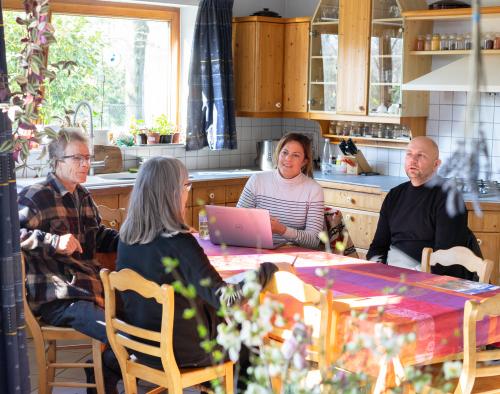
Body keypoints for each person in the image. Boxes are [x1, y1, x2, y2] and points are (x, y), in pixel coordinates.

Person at [116, 156, 293, 384]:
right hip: (184, 352)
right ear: (172, 193)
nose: (187, 192)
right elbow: (226, 299)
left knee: (238, 323)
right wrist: (269, 270)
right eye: (186, 186)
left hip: (143, 347)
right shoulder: (179, 243)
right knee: (250, 332)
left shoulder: (126, 238)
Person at [18, 128, 121, 391]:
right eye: (78, 158)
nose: (86, 164)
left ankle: (98, 378)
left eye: (88, 157)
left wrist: (133, 238)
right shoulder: (36, 195)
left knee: (139, 324)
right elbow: (10, 235)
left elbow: (98, 237)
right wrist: (53, 242)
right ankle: (101, 378)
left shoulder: (82, 196)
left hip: (90, 290)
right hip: (59, 298)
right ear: (57, 161)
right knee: (120, 333)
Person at [367, 136, 481, 276]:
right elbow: (378, 246)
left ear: (436, 164)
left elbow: (445, 259)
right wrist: (377, 271)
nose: (413, 160)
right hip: (393, 275)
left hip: (431, 279)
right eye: (409, 154)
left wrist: (412, 278)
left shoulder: (449, 198)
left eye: (421, 155)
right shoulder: (394, 195)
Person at [237, 133, 325, 249]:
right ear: (278, 154)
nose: (288, 159)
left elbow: (313, 241)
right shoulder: (257, 180)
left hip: (293, 254)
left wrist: (282, 230)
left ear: (304, 162)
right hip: (256, 248)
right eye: (285, 153)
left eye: (296, 155)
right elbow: (237, 223)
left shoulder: (314, 190)